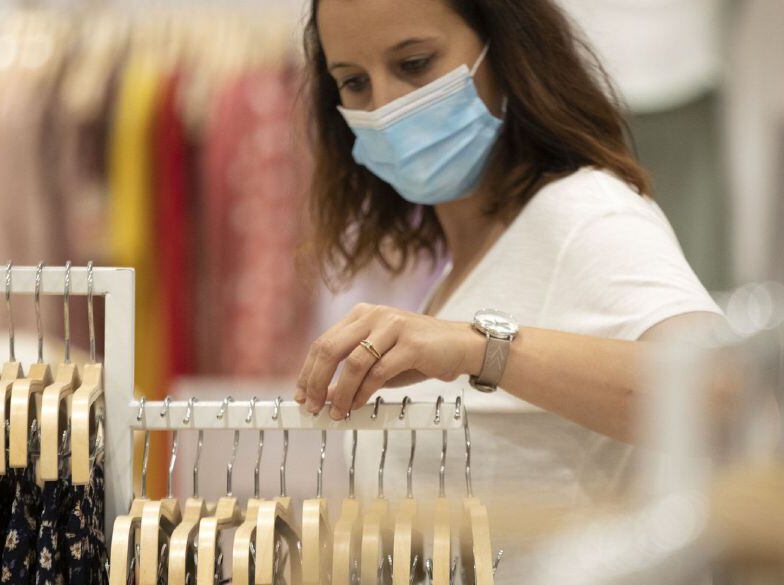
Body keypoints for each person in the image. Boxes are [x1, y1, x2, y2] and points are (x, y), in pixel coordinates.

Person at [293, 0, 724, 578]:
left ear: (507, 51)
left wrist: (482, 349)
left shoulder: (587, 215)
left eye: (416, 64)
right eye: (354, 82)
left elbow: (725, 398)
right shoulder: (460, 268)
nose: (386, 107)